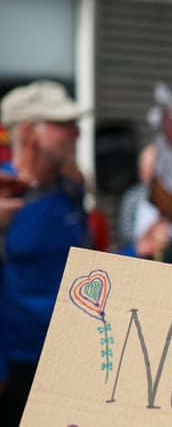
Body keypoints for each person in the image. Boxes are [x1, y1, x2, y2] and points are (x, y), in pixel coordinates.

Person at [0, 80, 91, 423]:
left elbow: (87, 268)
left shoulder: (72, 191)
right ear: (30, 133)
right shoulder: (4, 193)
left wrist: (137, 249)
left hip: (71, 360)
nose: (76, 132)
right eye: (63, 124)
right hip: (16, 370)